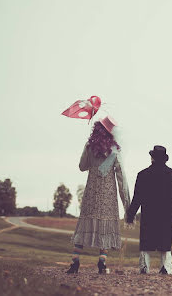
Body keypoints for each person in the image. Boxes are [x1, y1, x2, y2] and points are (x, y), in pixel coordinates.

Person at [67, 116, 130, 274]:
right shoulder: (115, 151)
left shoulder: (89, 146)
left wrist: (90, 156)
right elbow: (121, 178)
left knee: (85, 224)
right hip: (108, 195)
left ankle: (75, 262)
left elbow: (82, 166)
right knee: (105, 227)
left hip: (91, 193)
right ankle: (102, 263)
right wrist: (127, 204)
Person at [126, 145, 172, 275]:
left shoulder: (143, 174)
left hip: (148, 214)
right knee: (165, 244)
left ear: (152, 158)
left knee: (146, 242)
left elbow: (137, 198)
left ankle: (144, 267)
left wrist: (130, 214)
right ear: (165, 159)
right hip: (166, 215)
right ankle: (166, 267)